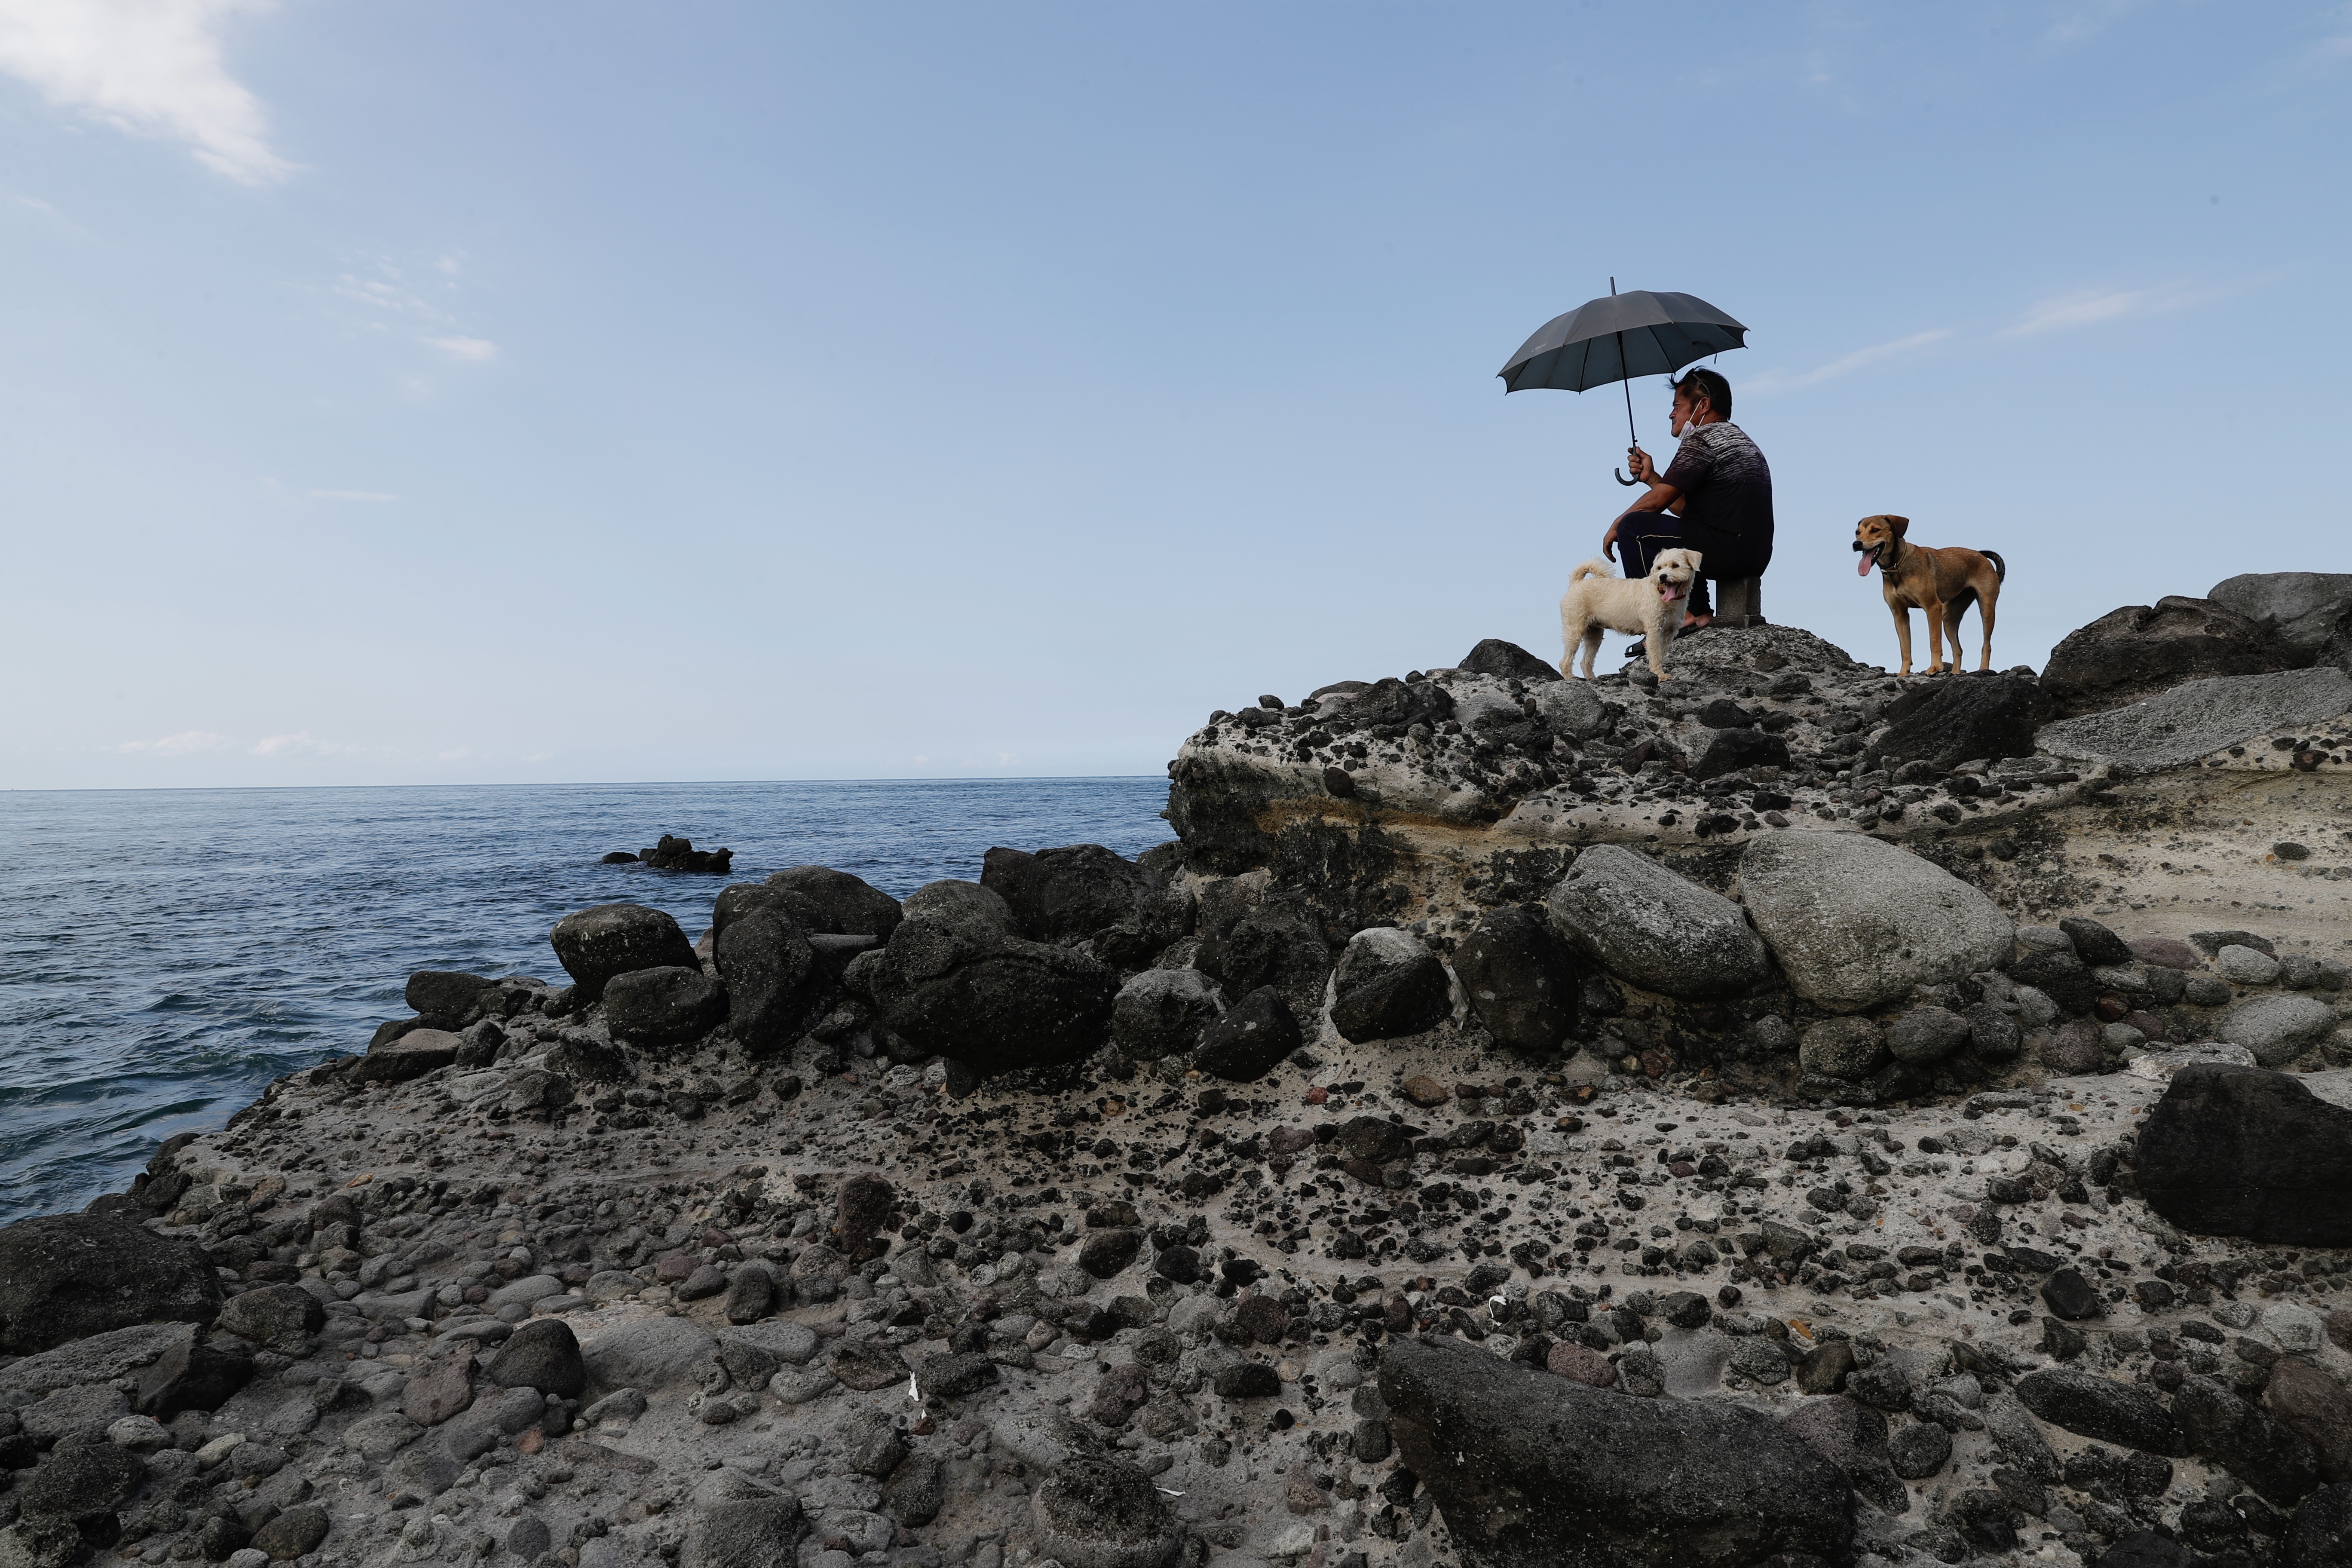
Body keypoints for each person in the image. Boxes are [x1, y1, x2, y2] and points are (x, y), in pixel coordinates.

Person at [1601, 367, 1774, 644]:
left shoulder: (1703, 438)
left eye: (1677, 406)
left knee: (1634, 527)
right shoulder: (1738, 440)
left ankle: (1675, 617)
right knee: (1680, 533)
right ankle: (1701, 615)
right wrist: (1652, 479)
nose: (1672, 414)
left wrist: (1617, 525)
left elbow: (1658, 504)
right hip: (1750, 553)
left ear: (1703, 405)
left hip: (1728, 549)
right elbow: (1688, 513)